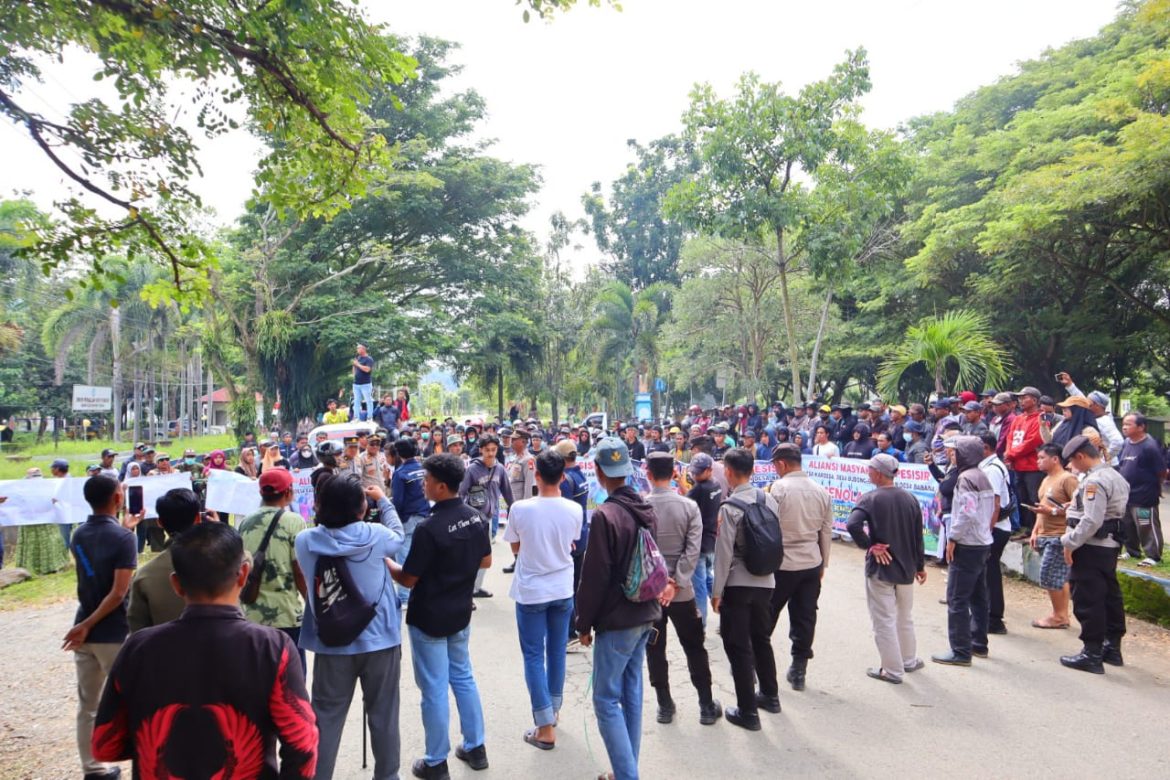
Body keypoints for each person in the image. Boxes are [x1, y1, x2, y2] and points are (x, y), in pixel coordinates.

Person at [91, 523, 318, 777]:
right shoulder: (272, 648)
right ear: (243, 575)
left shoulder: (138, 648)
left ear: (177, 585)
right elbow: (303, 744)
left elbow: (105, 745)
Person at [388, 454, 491, 780]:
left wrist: (387, 563)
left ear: (441, 486)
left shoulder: (429, 529)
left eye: (426, 479)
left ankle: (435, 760)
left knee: (433, 688)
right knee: (462, 677)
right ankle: (475, 746)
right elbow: (486, 561)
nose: (422, 484)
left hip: (430, 616)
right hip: (460, 612)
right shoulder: (475, 518)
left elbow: (408, 578)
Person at [296, 473, 405, 779]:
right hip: (380, 640)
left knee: (326, 717)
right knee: (384, 714)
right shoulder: (377, 535)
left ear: (320, 505)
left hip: (331, 642)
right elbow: (399, 535)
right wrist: (383, 502)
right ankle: (387, 775)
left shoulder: (305, 541)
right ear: (361, 507)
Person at [574, 438, 661, 780]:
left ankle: (627, 775)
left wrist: (583, 623)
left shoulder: (605, 516)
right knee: (631, 693)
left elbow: (594, 577)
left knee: (606, 700)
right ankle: (626, 769)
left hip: (618, 620)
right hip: (645, 613)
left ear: (597, 472)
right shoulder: (645, 508)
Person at [503, 450, 582, 750]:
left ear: (536, 475)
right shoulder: (574, 509)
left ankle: (545, 726)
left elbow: (514, 545)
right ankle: (553, 711)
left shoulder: (521, 509)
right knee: (556, 651)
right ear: (563, 477)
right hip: (562, 589)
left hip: (532, 590)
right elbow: (572, 543)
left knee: (534, 656)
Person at [66, 475, 140, 780]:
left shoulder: (78, 534)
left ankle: (93, 768)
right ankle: (144, 761)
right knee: (133, 700)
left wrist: (83, 624)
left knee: (89, 705)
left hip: (83, 632)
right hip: (112, 632)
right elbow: (118, 593)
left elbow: (95, 569)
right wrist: (89, 623)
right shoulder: (125, 539)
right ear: (117, 498)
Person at [643, 452, 720, 726]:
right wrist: (677, 581)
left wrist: (662, 582)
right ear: (675, 471)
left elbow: (641, 551)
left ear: (647, 473)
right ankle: (706, 705)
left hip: (651, 593)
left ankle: (664, 705)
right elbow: (693, 549)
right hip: (682, 591)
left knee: (654, 648)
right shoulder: (688, 507)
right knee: (694, 647)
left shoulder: (642, 506)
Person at [712, 447, 781, 731]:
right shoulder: (770, 499)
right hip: (766, 581)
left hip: (738, 584)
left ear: (728, 472)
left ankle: (748, 712)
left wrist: (717, 592)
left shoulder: (729, 508)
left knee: (738, 646)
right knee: (761, 639)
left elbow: (724, 553)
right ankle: (770, 695)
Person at [846, 454, 927, 684]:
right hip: (906, 568)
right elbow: (917, 536)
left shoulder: (870, 499)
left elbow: (852, 524)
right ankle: (908, 660)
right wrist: (920, 566)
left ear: (879, 473)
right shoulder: (910, 498)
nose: (868, 472)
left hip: (882, 568)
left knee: (884, 620)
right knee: (904, 617)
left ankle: (892, 670)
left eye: (870, 469)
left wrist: (870, 545)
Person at [1059, 435, 1130, 673]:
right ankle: (1112, 647)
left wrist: (1069, 541)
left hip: (1091, 546)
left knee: (1088, 598)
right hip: (1109, 546)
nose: (1071, 467)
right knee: (1109, 594)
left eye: (1072, 461)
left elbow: (1091, 520)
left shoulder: (1095, 481)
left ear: (1081, 456)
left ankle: (1091, 652)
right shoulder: (1115, 475)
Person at [767, 443, 834, 692]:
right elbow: (825, 531)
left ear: (782, 464)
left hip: (782, 564)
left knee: (767, 614)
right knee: (805, 616)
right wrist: (823, 563)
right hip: (810, 562)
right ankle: (799, 669)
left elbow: (769, 528)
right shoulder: (821, 491)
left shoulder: (779, 489)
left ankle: (754, 663)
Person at [932, 436, 995, 667]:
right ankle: (979, 642)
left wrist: (953, 537)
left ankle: (960, 650)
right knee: (978, 596)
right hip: (982, 542)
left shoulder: (966, 478)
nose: (951, 455)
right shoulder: (982, 476)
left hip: (967, 543)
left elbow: (966, 512)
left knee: (957, 599)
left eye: (955, 452)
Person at [238, 469, 309, 673]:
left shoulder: (245, 522)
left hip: (252, 616)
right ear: (288, 492)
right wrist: (310, 605)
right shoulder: (294, 521)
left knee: (259, 678)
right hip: (286, 614)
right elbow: (299, 569)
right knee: (291, 680)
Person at [127, 488, 205, 633]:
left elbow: (136, 631)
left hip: (165, 653)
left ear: (160, 522)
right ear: (198, 518)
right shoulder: (226, 562)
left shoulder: (144, 575)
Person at [1027, 444, 1079, 629]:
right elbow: (1042, 507)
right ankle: (1062, 615)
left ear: (1055, 459)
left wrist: (1054, 511)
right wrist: (1035, 531)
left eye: (1042, 458)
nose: (1038, 461)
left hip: (1059, 534)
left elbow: (1078, 507)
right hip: (1044, 532)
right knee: (1058, 577)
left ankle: (1058, 616)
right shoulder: (1046, 479)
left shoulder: (1068, 479)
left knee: (1049, 575)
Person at [461, 434, 513, 599]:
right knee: (470, 557)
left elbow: (508, 493)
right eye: (487, 450)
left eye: (493, 450)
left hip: (488, 519)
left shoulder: (500, 469)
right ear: (481, 450)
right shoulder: (472, 470)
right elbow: (461, 493)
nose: (490, 453)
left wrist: (514, 510)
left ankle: (476, 588)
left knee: (485, 556)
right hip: (472, 520)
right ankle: (466, 592)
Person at [552, 439, 590, 648]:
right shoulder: (581, 475)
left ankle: (569, 632)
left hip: (571, 541)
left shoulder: (566, 481)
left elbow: (563, 513)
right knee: (575, 585)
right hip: (581, 536)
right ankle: (576, 626)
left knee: (567, 587)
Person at [1117, 412, 1166, 565]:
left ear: (1141, 427)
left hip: (1144, 496)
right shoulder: (1126, 443)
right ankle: (1132, 551)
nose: (1124, 427)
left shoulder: (1150, 446)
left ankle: (1153, 555)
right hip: (1127, 495)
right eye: (1124, 424)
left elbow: (1161, 471)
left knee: (1145, 524)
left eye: (1128, 424)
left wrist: (1156, 487)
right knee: (1128, 524)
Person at [977, 432, 1013, 635]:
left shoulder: (992, 470)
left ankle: (994, 618)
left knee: (990, 573)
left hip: (995, 528)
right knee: (987, 572)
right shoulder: (989, 466)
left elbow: (995, 503)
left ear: (985, 447)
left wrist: (986, 531)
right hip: (994, 527)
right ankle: (989, 614)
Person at [391, 437, 429, 603]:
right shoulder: (424, 469)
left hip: (408, 518)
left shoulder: (400, 473)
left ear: (399, 454)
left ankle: (405, 597)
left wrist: (396, 519)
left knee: (404, 557)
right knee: (424, 554)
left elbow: (398, 500)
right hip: (426, 516)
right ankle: (425, 591)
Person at [685, 453, 721, 628]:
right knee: (709, 579)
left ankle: (701, 626)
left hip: (698, 544)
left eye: (699, 472)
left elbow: (686, 506)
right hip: (711, 541)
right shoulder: (716, 485)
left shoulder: (699, 489)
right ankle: (725, 611)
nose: (695, 475)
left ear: (709, 470)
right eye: (694, 472)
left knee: (698, 587)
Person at [1005, 386, 1045, 538]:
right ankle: (1028, 528)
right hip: (1018, 465)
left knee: (1034, 498)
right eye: (1020, 398)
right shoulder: (1018, 418)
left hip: (1033, 467)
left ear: (1034, 400)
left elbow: (1033, 441)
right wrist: (1009, 454)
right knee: (1022, 498)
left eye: (1024, 397)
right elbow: (1010, 437)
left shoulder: (1041, 418)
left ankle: (1037, 528)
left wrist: (1011, 454)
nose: (1021, 400)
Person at [16, 466, 71, 575]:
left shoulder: (48, 487)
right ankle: (46, 566)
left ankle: (45, 566)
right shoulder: (25, 488)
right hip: (32, 521)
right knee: (43, 541)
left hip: (44, 520)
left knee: (44, 541)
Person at [503, 428, 537, 575]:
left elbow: (530, 485)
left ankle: (523, 561)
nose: (511, 441)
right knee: (514, 535)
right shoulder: (516, 459)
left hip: (521, 505)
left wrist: (526, 506)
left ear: (523, 441)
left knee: (522, 535)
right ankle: (517, 560)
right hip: (514, 504)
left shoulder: (528, 460)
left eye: (514, 439)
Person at [351, 343, 375, 422]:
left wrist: (358, 364)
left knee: (368, 400)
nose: (357, 349)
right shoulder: (358, 358)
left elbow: (367, 369)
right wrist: (354, 372)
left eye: (359, 348)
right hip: (356, 384)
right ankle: (356, 417)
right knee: (356, 401)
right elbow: (354, 367)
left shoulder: (369, 359)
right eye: (357, 348)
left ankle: (369, 417)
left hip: (366, 384)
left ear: (363, 349)